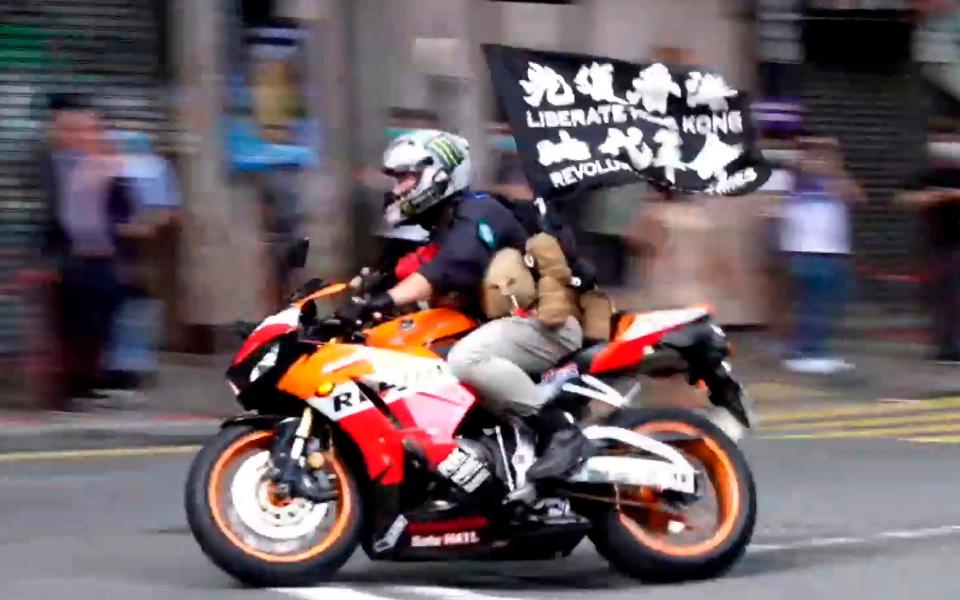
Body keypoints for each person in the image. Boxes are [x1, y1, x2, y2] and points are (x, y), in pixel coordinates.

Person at [337, 129, 588, 490]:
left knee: (467, 358)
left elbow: (452, 266)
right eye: (396, 180)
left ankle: (559, 431)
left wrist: (386, 300)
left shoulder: (479, 212)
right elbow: (415, 266)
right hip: (509, 328)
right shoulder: (447, 224)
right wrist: (364, 295)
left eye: (406, 178)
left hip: (547, 324)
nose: (397, 190)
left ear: (438, 172)